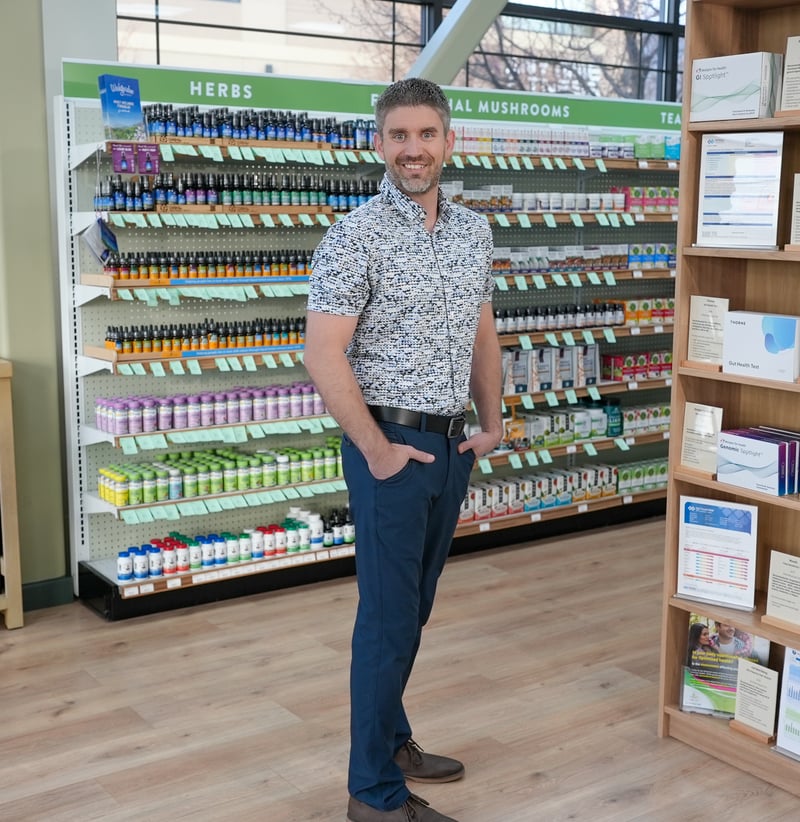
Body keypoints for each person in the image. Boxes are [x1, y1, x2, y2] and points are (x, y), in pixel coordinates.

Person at [304, 77, 502, 822]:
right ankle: (374, 795)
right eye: (398, 136)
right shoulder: (354, 235)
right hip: (389, 446)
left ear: (449, 142)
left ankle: (392, 737)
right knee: (387, 619)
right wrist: (378, 451)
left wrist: (493, 420)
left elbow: (482, 333)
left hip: (452, 446)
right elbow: (323, 354)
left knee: (410, 610)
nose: (413, 149)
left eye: (426, 135)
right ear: (379, 144)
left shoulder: (474, 232)